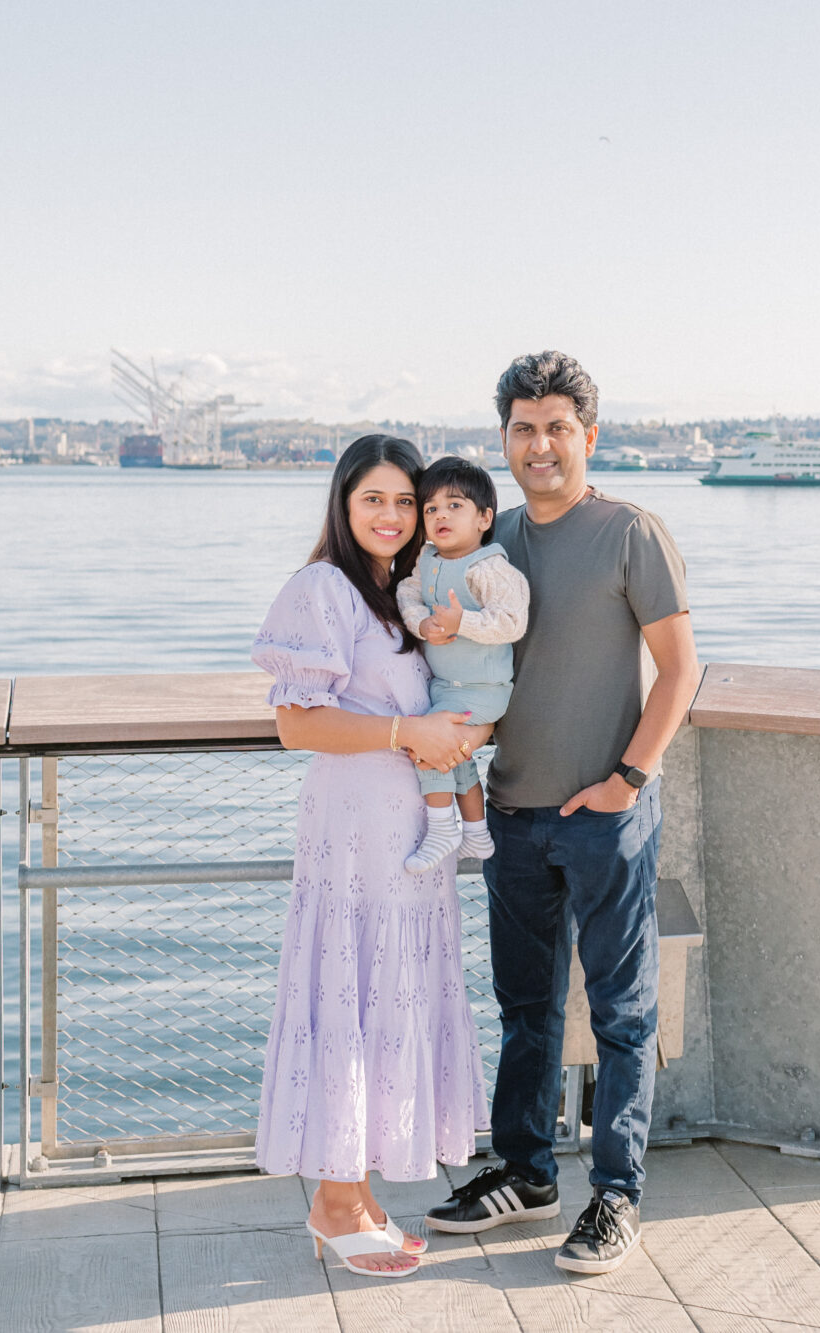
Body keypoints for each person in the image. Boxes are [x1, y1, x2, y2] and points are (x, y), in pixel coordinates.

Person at [425, 350, 700, 1276]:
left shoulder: (631, 532)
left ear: (589, 435)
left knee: (623, 1014)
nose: (539, 445)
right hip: (510, 810)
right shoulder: (486, 538)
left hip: (604, 812)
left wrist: (628, 776)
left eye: (555, 428)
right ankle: (527, 1174)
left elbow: (681, 669)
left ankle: (615, 1198)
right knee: (525, 1010)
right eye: (522, 428)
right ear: (503, 438)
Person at [249, 434, 490, 1282]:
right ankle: (335, 1200)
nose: (390, 516)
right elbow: (297, 723)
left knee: (389, 991)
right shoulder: (324, 587)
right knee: (349, 988)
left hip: (407, 830)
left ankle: (352, 1188)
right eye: (372, 500)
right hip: (356, 825)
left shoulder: (403, 591)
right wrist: (405, 732)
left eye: (403, 501)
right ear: (344, 507)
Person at [393, 455, 529, 873]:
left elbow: (512, 621)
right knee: (459, 759)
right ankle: (475, 833)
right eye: (431, 508)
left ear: (484, 517)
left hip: (483, 691)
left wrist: (463, 621)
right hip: (445, 688)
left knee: (432, 752)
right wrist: (423, 624)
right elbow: (407, 594)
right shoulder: (427, 560)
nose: (440, 516)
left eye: (455, 506)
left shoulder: (488, 568)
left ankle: (441, 829)